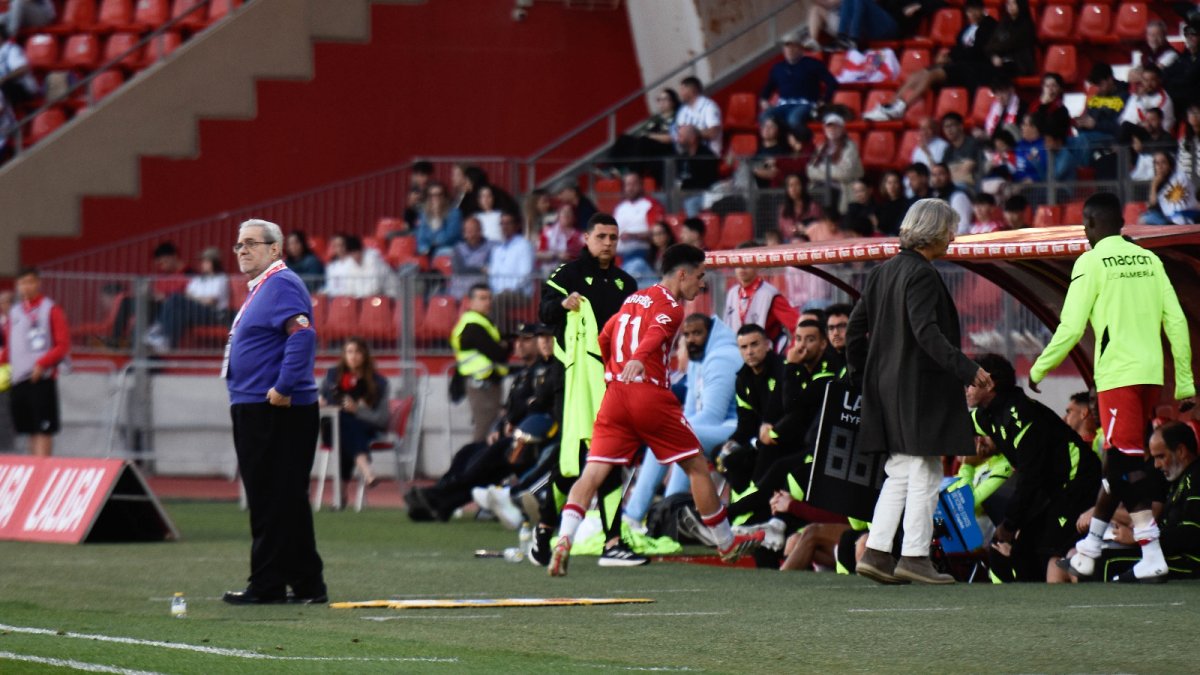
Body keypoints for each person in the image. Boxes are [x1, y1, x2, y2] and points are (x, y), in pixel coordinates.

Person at [547, 245, 764, 576]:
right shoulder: (671, 306)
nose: (701, 284)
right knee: (695, 466)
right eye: (700, 276)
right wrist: (637, 358)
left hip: (615, 394)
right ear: (682, 274)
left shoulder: (633, 299)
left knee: (592, 472)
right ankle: (725, 542)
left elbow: (605, 335)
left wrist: (611, 368)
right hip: (648, 393)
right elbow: (656, 332)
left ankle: (564, 539)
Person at [1030, 192, 1194, 582]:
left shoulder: (1091, 262)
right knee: (1118, 459)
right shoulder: (1151, 260)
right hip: (1150, 375)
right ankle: (1090, 548)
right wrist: (1185, 380)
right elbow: (1177, 322)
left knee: (1123, 463)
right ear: (1121, 223)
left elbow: (1070, 327)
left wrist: (1039, 369)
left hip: (1118, 375)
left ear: (1089, 224)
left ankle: (1150, 550)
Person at [846, 199, 992, 585]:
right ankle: (913, 556)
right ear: (933, 232)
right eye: (949, 229)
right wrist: (969, 369)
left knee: (900, 471)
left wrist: (866, 377)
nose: (953, 236)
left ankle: (877, 552)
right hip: (918, 391)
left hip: (885, 390)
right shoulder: (923, 275)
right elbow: (927, 333)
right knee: (925, 469)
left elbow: (853, 332)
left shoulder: (881, 273)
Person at [222, 218, 326, 605]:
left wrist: (283, 388)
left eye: (251, 243)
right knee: (282, 498)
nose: (243, 250)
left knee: (272, 498)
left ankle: (268, 584)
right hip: (257, 406)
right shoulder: (264, 288)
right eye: (238, 245)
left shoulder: (281, 283)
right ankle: (305, 584)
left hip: (274, 408)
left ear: (275, 249)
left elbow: (302, 336)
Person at [535, 213, 640, 567]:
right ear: (587, 237)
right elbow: (545, 311)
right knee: (571, 463)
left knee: (608, 456)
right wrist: (563, 305)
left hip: (613, 381)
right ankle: (545, 527)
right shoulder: (567, 276)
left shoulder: (628, 284)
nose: (608, 243)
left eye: (613, 237)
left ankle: (612, 542)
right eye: (602, 236)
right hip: (574, 380)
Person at [967, 353, 1101, 583]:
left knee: (1046, 550)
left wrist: (1010, 524)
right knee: (1017, 554)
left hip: (1076, 480)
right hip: (1049, 486)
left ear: (990, 383)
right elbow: (956, 427)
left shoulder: (1021, 417)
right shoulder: (986, 415)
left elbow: (1030, 478)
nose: (966, 388)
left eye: (970, 382)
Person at [624, 314, 740, 526]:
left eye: (697, 333)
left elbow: (712, 415)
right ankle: (642, 516)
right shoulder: (699, 357)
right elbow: (689, 411)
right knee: (672, 434)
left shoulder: (723, 357)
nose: (691, 339)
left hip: (735, 429)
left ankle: (660, 514)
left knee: (679, 434)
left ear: (711, 332)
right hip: (708, 429)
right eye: (687, 335)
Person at [863, 0, 999, 122]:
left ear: (982, 10)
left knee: (931, 75)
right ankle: (890, 105)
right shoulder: (966, 29)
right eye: (969, 11)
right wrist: (947, 56)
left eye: (975, 10)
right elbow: (958, 47)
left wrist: (951, 57)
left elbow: (977, 50)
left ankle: (902, 108)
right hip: (958, 65)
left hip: (973, 69)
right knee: (917, 74)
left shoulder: (989, 25)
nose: (972, 14)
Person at [1, 267, 68, 458]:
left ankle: (43, 470)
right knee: (29, 429)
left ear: (38, 283)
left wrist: (42, 364)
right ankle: (33, 470)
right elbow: (11, 346)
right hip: (19, 377)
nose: (26, 287)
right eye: (22, 283)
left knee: (43, 429)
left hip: (41, 377)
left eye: (30, 282)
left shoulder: (50, 309)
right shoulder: (15, 312)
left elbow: (62, 345)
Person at [320, 337, 390, 501]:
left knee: (347, 426)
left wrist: (357, 410)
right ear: (344, 355)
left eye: (358, 352)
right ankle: (367, 470)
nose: (353, 356)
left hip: (364, 429)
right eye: (349, 352)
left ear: (365, 355)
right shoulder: (332, 376)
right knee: (343, 422)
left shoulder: (378, 382)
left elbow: (381, 419)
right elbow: (322, 400)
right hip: (331, 428)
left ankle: (341, 494)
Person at [450, 284, 511, 444]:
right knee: (484, 431)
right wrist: (503, 345)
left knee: (488, 429)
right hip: (481, 384)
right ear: (470, 301)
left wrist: (503, 346)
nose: (488, 302)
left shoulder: (483, 322)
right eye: (482, 298)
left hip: (486, 383)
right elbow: (498, 353)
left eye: (490, 298)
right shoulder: (473, 325)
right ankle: (472, 465)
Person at [722, 243, 800, 352]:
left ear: (758, 263)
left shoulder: (769, 294)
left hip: (767, 358)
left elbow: (798, 326)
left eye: (747, 262)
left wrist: (790, 352)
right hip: (739, 356)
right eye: (738, 263)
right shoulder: (732, 293)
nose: (742, 267)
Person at [153, 247, 230, 352]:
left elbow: (211, 301)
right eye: (202, 261)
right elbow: (186, 295)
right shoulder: (198, 279)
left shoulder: (221, 278)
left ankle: (159, 330)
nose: (202, 264)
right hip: (197, 310)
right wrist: (195, 299)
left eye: (206, 261)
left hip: (214, 313)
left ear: (214, 262)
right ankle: (166, 340)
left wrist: (193, 299)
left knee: (177, 299)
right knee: (177, 307)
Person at [759, 31, 838, 133]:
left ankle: (805, 144)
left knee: (793, 119)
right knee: (764, 117)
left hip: (806, 105)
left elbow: (832, 83)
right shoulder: (778, 68)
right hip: (783, 105)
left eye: (793, 46)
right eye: (787, 47)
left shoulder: (813, 64)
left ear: (800, 48)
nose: (790, 50)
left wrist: (824, 101)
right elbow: (767, 88)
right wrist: (764, 100)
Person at [486, 212, 536, 332]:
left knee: (498, 300)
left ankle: (503, 336)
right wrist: (495, 291)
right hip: (498, 293)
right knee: (480, 300)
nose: (504, 227)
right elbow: (493, 275)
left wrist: (510, 288)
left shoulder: (524, 245)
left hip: (520, 294)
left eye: (508, 223)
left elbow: (526, 273)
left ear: (517, 225)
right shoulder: (497, 249)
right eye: (502, 223)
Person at [806, 114, 864, 212]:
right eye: (829, 126)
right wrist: (834, 170)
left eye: (835, 126)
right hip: (821, 188)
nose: (832, 129)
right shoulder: (821, 148)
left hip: (842, 188)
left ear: (842, 129)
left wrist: (822, 169)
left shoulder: (850, 147)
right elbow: (810, 171)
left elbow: (845, 173)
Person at [612, 172, 665, 275]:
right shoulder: (620, 208)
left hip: (642, 254)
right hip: (619, 256)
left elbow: (658, 233)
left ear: (641, 185)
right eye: (628, 184)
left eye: (634, 184)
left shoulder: (650, 204)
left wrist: (633, 236)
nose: (631, 188)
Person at [1141, 151, 1200, 225]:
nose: (1160, 166)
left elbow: (1180, 205)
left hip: (1186, 214)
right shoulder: (1156, 181)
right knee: (1144, 219)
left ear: (1169, 165)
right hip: (1167, 218)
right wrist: (1154, 185)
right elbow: (1152, 204)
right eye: (1157, 163)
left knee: (1178, 219)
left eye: (1163, 162)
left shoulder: (1179, 177)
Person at [322, 234, 390, 298]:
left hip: (387, 295)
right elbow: (350, 286)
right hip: (360, 298)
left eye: (355, 252)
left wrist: (359, 296)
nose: (354, 256)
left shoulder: (373, 259)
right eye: (351, 254)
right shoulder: (350, 264)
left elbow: (375, 286)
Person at [675, 125, 720, 217]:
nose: (677, 140)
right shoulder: (682, 157)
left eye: (681, 136)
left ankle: (692, 230)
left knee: (690, 203)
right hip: (683, 193)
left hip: (702, 193)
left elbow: (706, 182)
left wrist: (685, 189)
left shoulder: (707, 156)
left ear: (692, 138)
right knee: (662, 198)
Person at [674, 76, 722, 155]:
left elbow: (714, 132)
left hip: (709, 153)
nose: (680, 93)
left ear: (693, 90)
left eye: (683, 89)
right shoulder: (683, 111)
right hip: (688, 151)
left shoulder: (709, 106)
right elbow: (680, 134)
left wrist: (693, 133)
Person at [448, 216, 495, 298]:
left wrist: (483, 269)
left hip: (481, 288)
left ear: (480, 231)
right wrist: (480, 269)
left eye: (474, 230)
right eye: (468, 231)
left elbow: (491, 268)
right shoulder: (458, 248)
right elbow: (459, 269)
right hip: (459, 290)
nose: (471, 234)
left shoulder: (492, 246)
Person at [415, 182, 464, 257]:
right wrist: (425, 249)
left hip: (449, 250)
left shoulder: (454, 213)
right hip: (429, 252)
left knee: (443, 252)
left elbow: (447, 238)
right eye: (432, 195)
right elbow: (421, 238)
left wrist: (437, 217)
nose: (435, 198)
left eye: (439, 195)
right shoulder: (424, 214)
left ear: (445, 196)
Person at [537, 205, 584, 274]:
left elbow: (585, 256)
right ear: (558, 215)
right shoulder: (548, 232)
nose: (566, 215)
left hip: (572, 273)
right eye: (564, 212)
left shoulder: (580, 236)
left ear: (574, 217)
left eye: (569, 213)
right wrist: (556, 255)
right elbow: (538, 254)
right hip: (550, 273)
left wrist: (572, 256)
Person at [778, 173, 820, 241]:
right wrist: (794, 230)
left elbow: (817, 227)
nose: (794, 188)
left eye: (797, 184)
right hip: (788, 242)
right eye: (791, 185)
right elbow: (783, 229)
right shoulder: (784, 209)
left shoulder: (813, 206)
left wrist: (804, 229)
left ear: (802, 186)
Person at [874, 170, 908, 236]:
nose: (892, 186)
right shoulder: (881, 206)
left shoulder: (906, 204)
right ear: (884, 185)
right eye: (889, 183)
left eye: (895, 182)